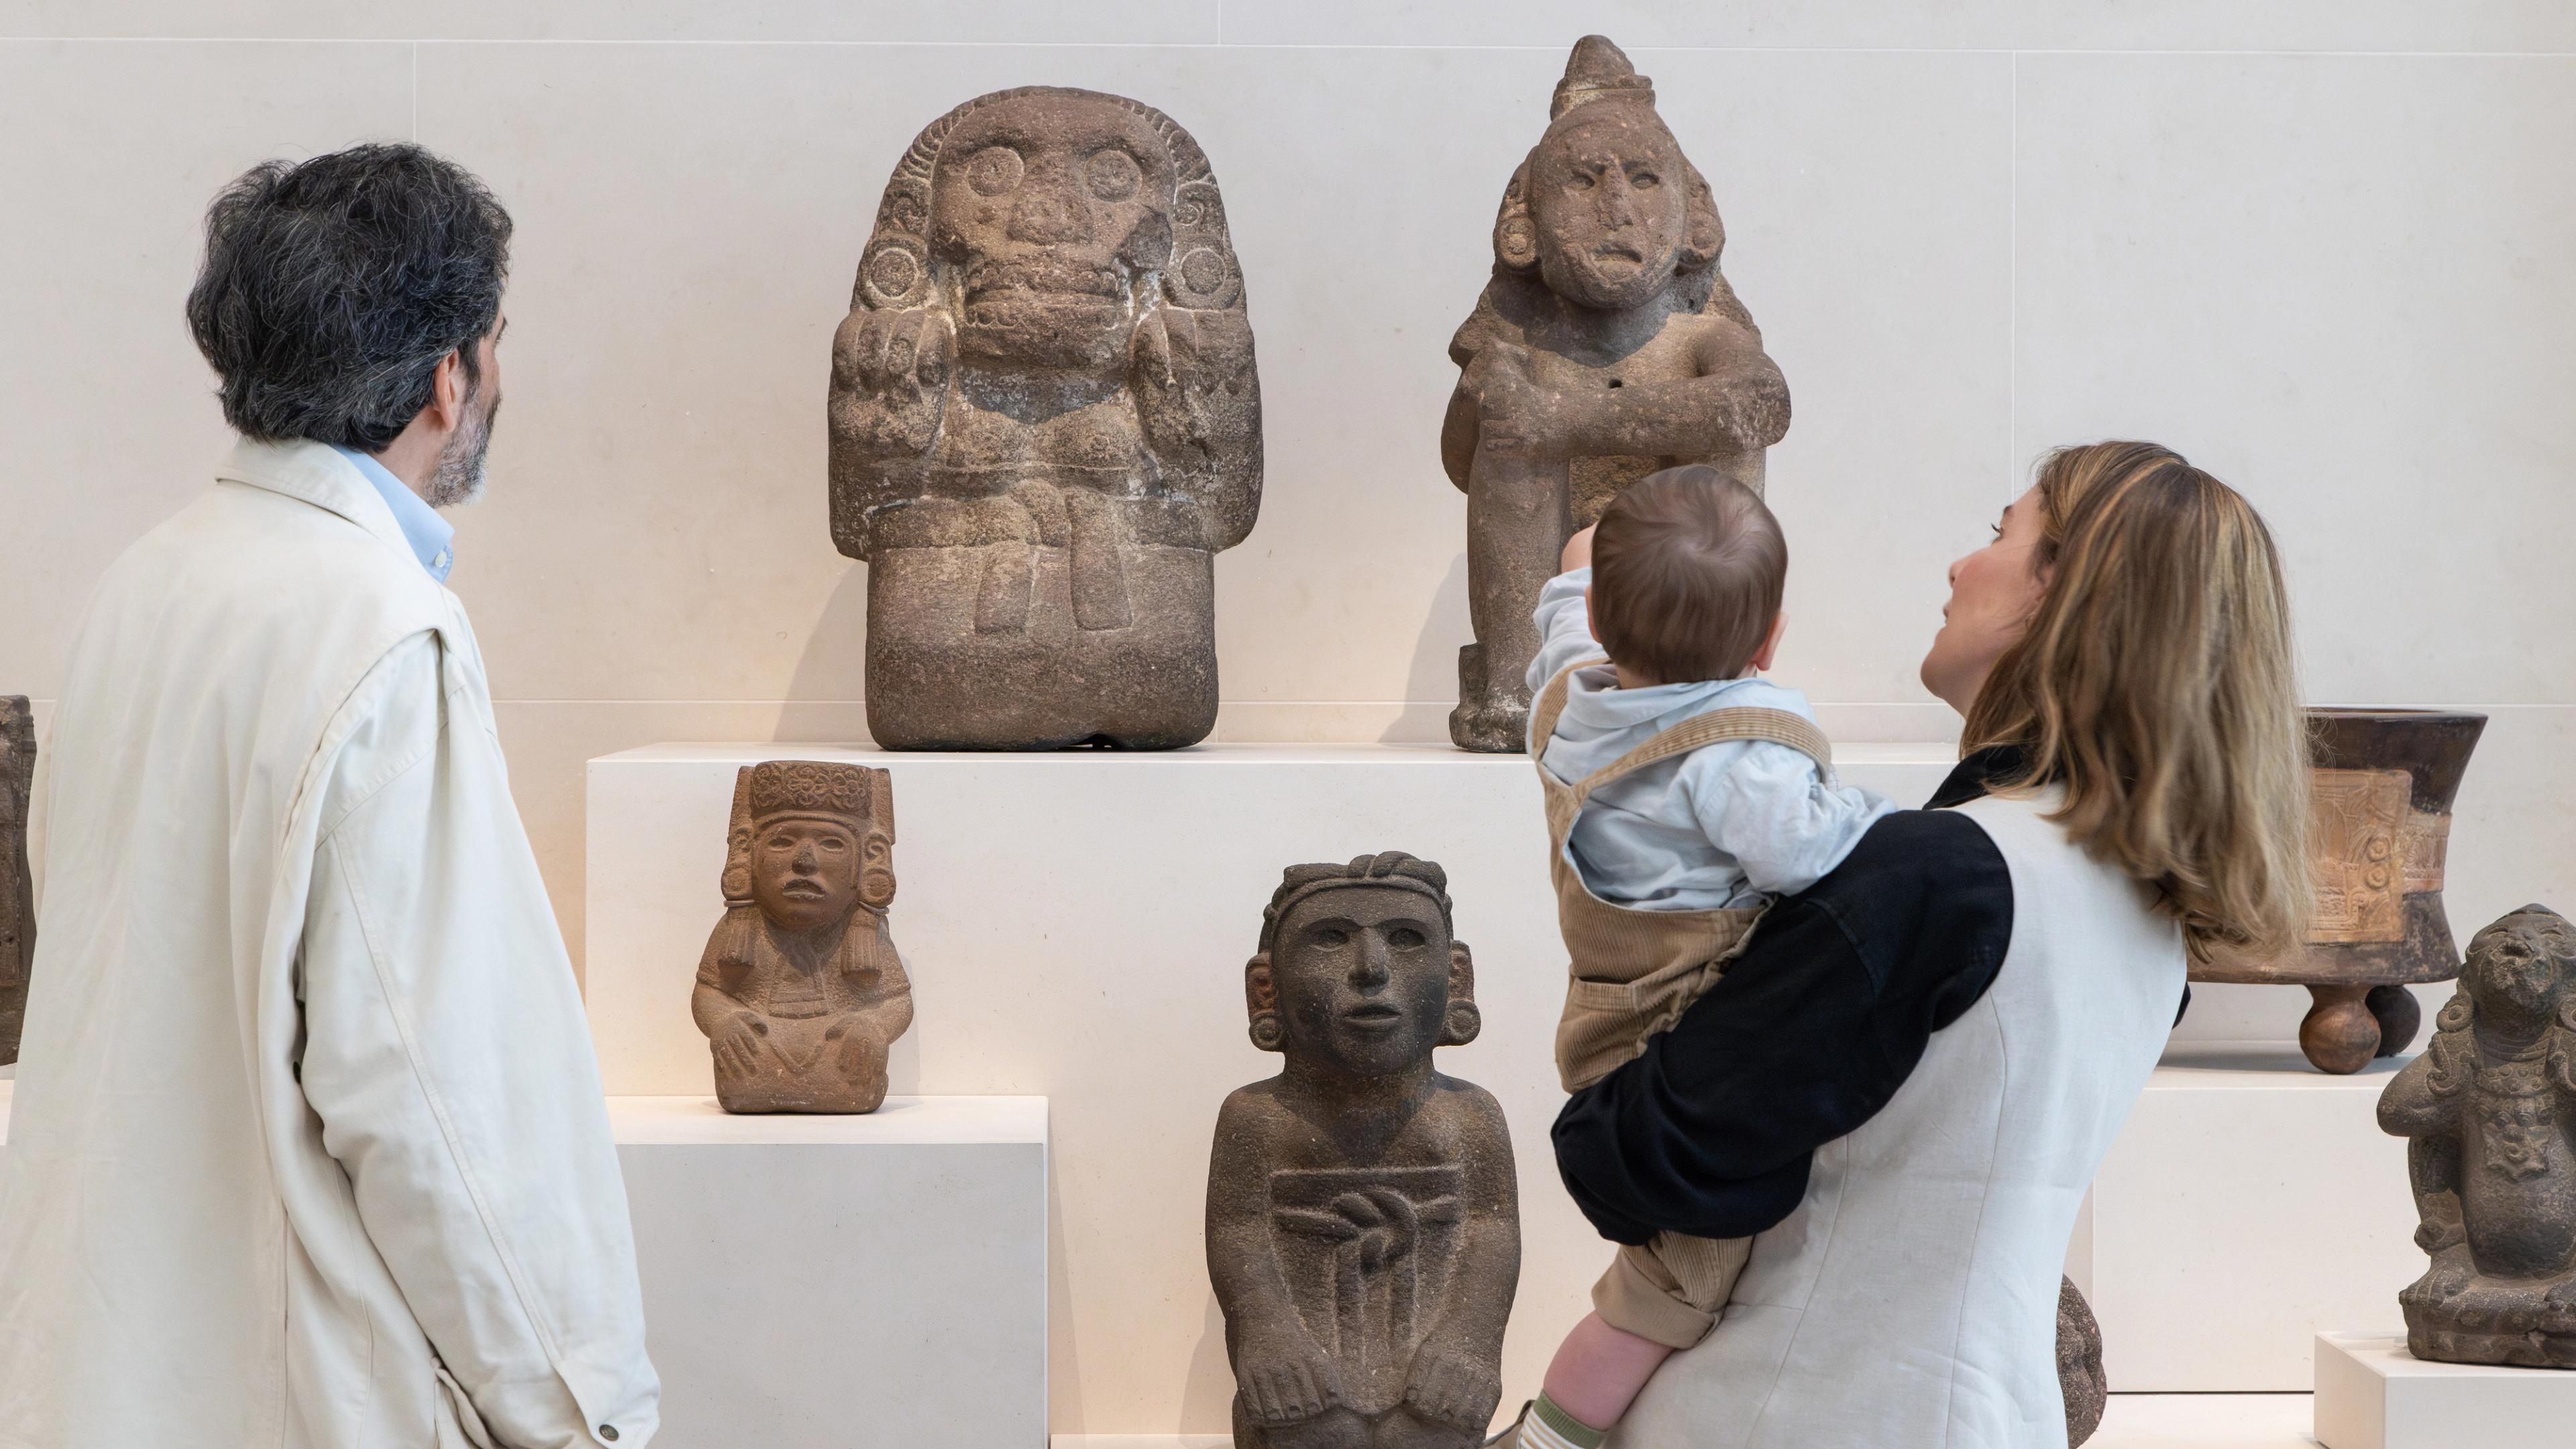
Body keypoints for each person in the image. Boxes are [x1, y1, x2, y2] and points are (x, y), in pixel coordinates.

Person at [0, 145, 659, 1448]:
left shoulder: (142, 589)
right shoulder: (381, 630)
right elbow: (437, 1100)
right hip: (295, 1391)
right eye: (496, 343)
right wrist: (585, 1411)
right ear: (449, 375)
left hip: (87, 1378)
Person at [1550, 441, 2308, 1448]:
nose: (1961, 564)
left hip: (1794, 1415)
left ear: (2062, 592)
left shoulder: (1941, 875)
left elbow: (1636, 1158)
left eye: (2001, 534)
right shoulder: (2148, 909)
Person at [1487, 467, 1894, 1449]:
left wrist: (1586, 553)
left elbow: (1568, 603)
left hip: (1602, 1016)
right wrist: (1872, 813)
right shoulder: (1738, 759)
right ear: (1769, 639)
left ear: (1600, 616)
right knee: (1669, 1285)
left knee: (1668, 1267)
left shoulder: (1568, 700)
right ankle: (1549, 1436)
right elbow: (1805, 856)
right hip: (1689, 1041)